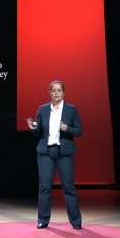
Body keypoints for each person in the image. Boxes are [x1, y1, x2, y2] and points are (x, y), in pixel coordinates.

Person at [26, 80, 83, 229]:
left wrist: (68, 128)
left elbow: (79, 130)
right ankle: (43, 220)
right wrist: (33, 127)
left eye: (59, 90)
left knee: (68, 187)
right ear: (49, 93)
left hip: (64, 153)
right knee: (45, 187)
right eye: (53, 90)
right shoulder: (43, 109)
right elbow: (38, 132)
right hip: (46, 153)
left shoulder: (71, 109)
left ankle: (76, 221)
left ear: (63, 93)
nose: (56, 93)